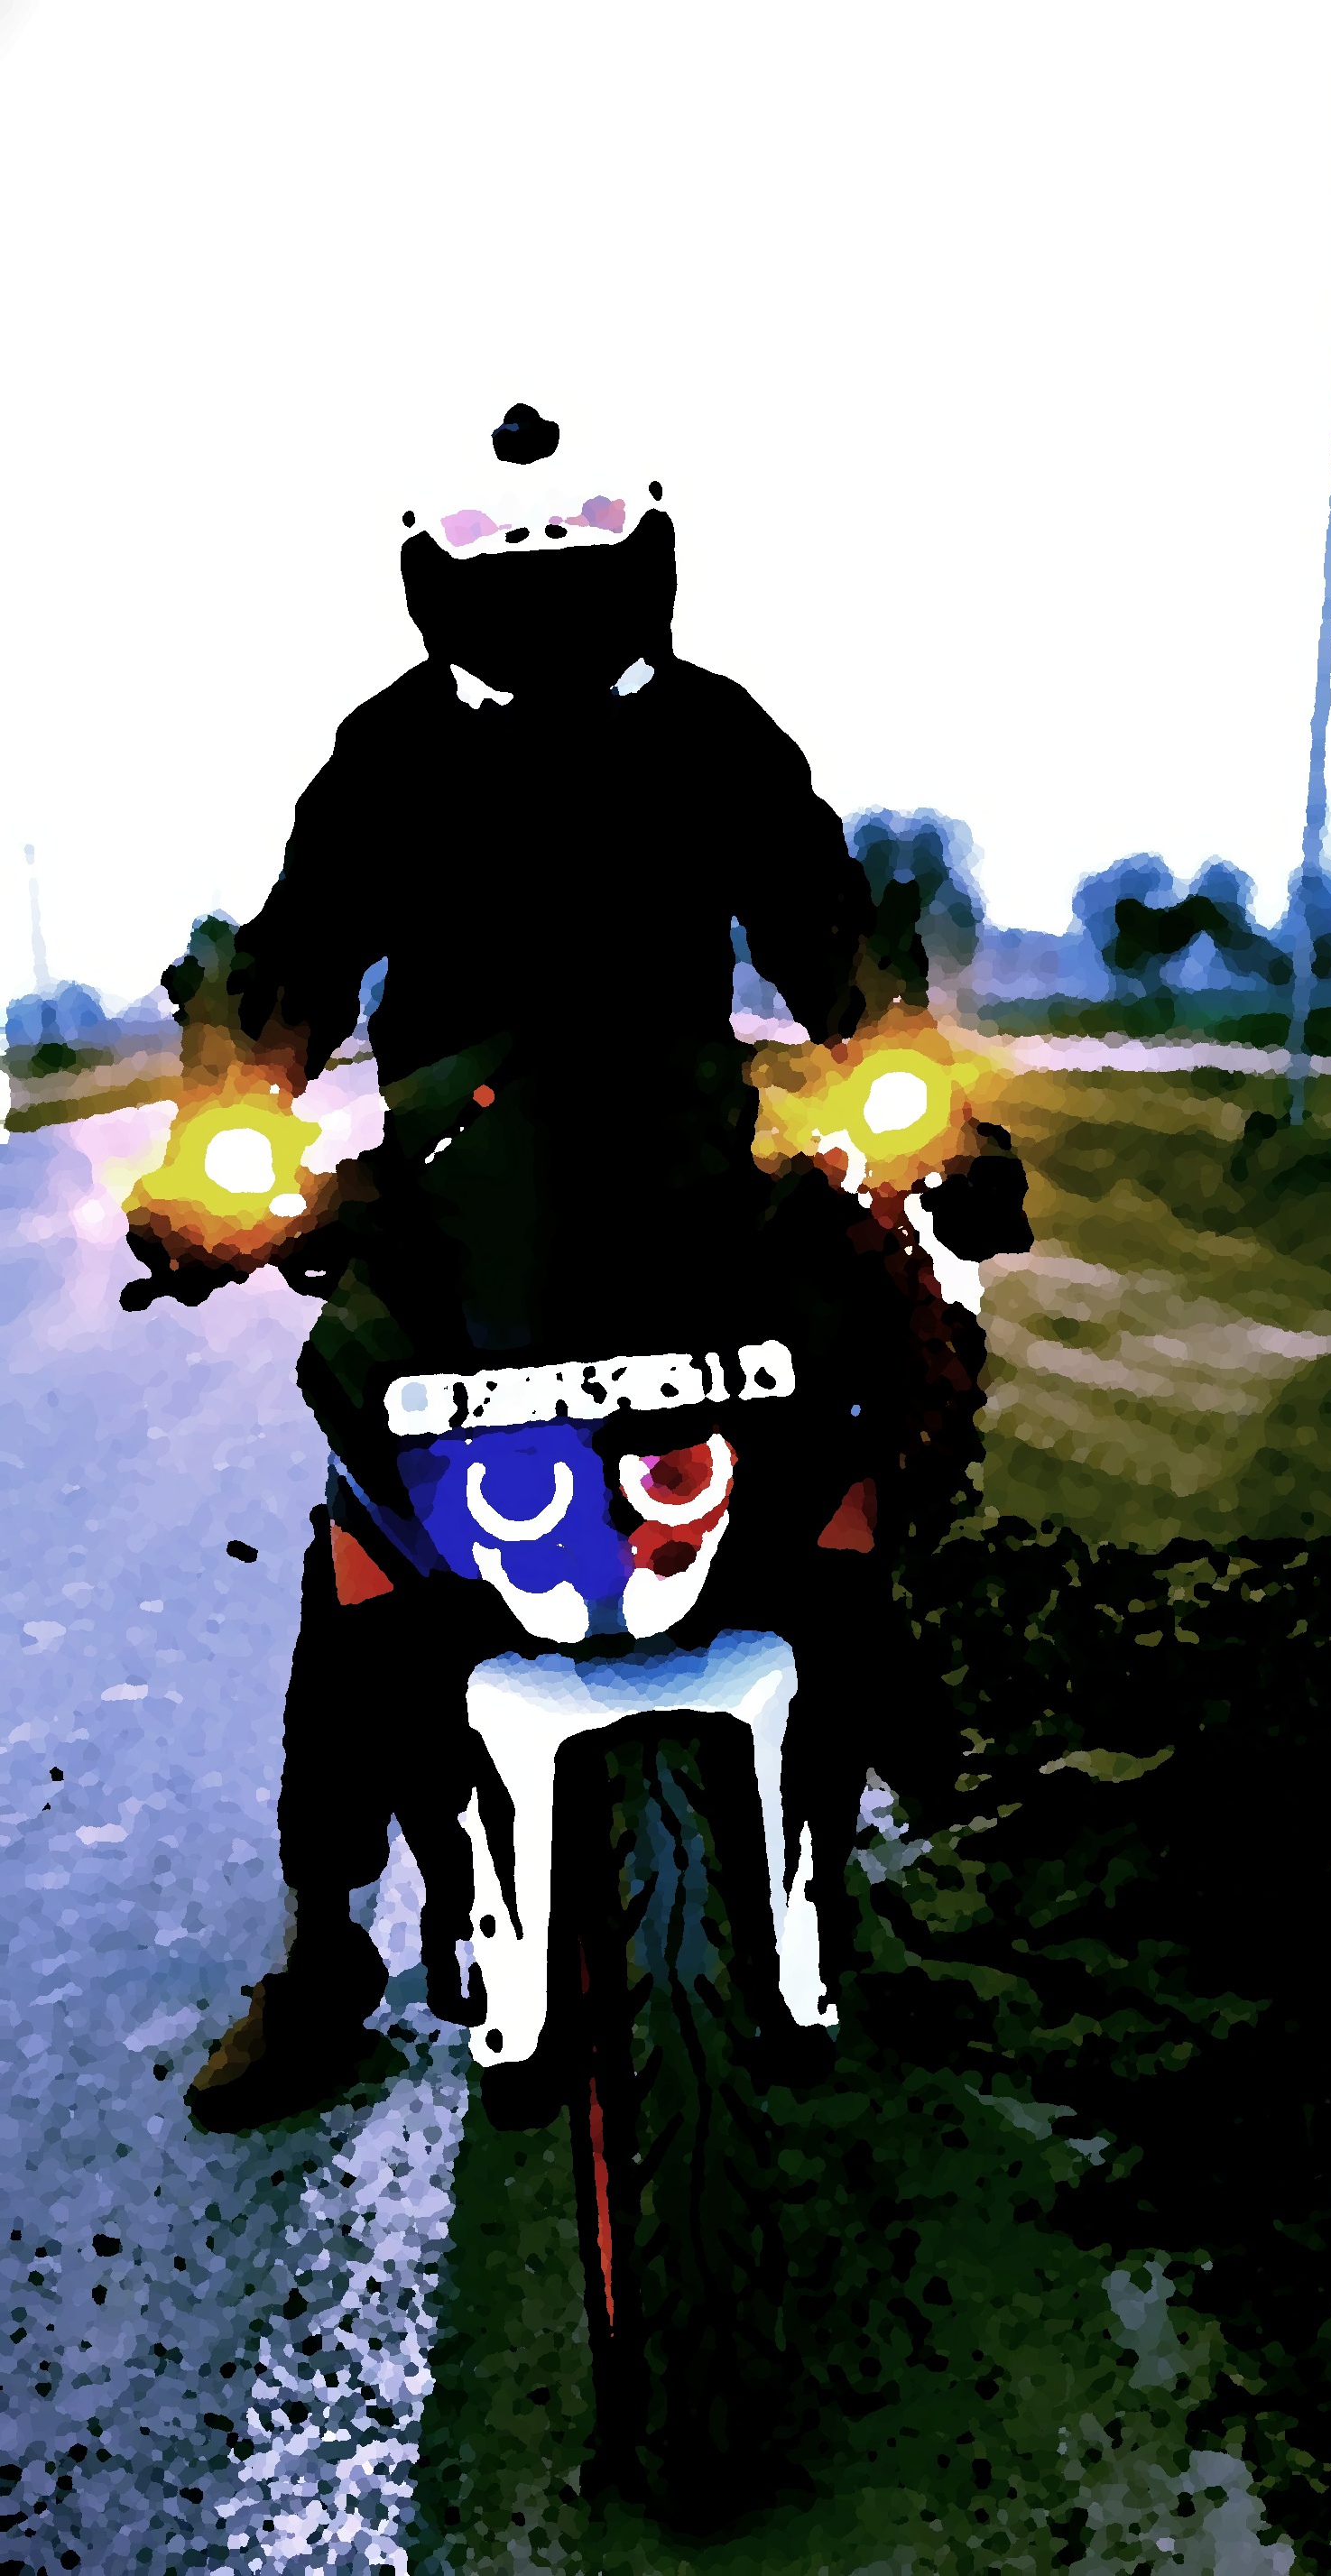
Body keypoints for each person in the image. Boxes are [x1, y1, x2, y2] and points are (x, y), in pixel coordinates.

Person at [125, 405, 1028, 2128]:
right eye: (507, 580)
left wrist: (931, 1108)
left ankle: (853, 1790)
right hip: (451, 1186)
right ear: (435, 588)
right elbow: (295, 961)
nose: (545, 609)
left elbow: (832, 935)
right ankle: (326, 1944)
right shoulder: (388, 753)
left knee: (850, 1413)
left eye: (581, 572)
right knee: (364, 1530)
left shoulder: (712, 732)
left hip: (690, 1168)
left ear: (646, 569)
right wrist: (218, 1141)